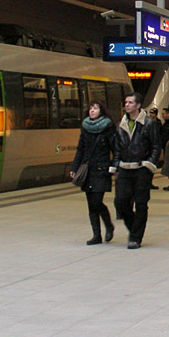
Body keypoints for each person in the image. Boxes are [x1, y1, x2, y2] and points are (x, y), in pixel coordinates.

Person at [111, 93, 162, 249]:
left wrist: (150, 164)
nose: (127, 105)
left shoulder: (149, 123)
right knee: (121, 201)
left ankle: (135, 237)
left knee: (141, 203)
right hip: (125, 168)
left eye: (130, 102)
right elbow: (117, 148)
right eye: (126, 102)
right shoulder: (121, 124)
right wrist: (115, 165)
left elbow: (156, 145)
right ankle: (134, 227)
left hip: (142, 169)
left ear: (138, 105)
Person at [71, 101, 116, 245]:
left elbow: (115, 149)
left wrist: (115, 166)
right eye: (90, 108)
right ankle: (96, 235)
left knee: (97, 201)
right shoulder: (85, 128)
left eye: (95, 108)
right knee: (91, 204)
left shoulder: (108, 128)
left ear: (101, 111)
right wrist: (74, 168)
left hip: (102, 169)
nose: (92, 111)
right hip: (88, 170)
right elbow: (80, 150)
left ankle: (108, 225)